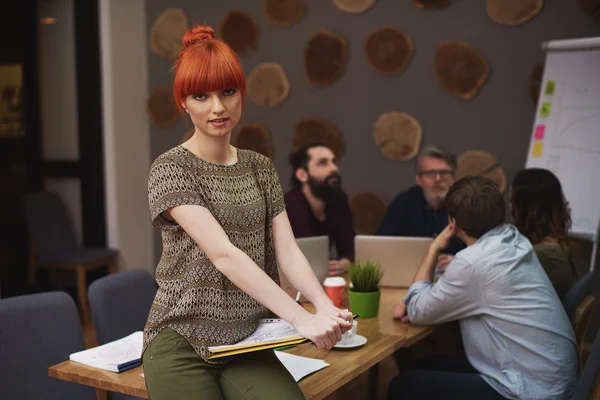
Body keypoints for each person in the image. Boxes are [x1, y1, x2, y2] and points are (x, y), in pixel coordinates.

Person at [142, 25, 352, 400]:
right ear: (184, 103)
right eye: (201, 96)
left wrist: (324, 307)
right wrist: (301, 318)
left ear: (241, 94)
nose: (218, 107)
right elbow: (223, 254)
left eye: (228, 92)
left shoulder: (260, 167)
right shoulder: (170, 168)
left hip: (245, 339)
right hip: (182, 341)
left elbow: (287, 252)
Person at [389, 176, 578, 400]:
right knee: (421, 366)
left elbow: (417, 310)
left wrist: (434, 248)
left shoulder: (472, 263)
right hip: (549, 374)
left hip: (530, 389)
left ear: (453, 223)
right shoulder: (513, 237)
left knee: (402, 386)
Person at [376, 146, 465, 269]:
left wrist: (459, 262)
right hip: (410, 273)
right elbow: (381, 244)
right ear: (418, 179)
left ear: (454, 177)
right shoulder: (404, 202)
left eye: (444, 173)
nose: (438, 179)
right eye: (430, 173)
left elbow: (482, 251)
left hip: (455, 278)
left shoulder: (465, 205)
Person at [285, 143, 355, 276]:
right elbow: (305, 256)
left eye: (334, 162)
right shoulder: (291, 204)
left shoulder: (338, 201)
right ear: (302, 175)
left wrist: (345, 263)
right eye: (323, 163)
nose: (334, 168)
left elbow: (351, 247)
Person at [510, 168, 577, 300]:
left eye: (512, 202)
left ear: (525, 209)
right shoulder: (554, 245)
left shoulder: (542, 255)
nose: (509, 207)